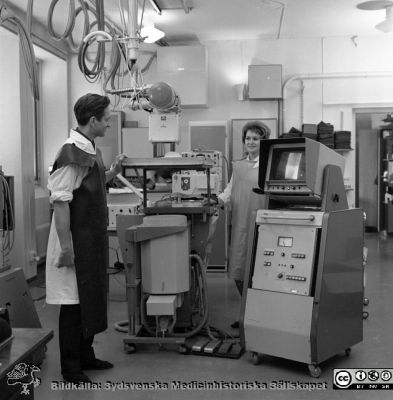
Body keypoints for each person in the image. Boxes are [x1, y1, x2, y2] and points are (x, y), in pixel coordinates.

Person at [45, 93, 126, 383]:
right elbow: (61, 202)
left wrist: (113, 171)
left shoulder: (89, 149)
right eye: (106, 120)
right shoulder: (71, 154)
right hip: (74, 240)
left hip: (89, 239)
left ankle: (86, 355)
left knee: (88, 298)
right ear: (92, 120)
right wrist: (66, 248)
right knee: (72, 304)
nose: (108, 125)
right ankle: (71, 367)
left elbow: (90, 185)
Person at [218, 121, 270, 328]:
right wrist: (218, 200)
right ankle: (248, 313)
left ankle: (260, 317)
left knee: (261, 272)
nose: (251, 142)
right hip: (240, 224)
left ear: (263, 141)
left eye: (255, 139)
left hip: (263, 225)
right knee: (239, 270)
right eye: (248, 138)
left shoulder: (267, 165)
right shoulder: (238, 166)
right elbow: (230, 189)